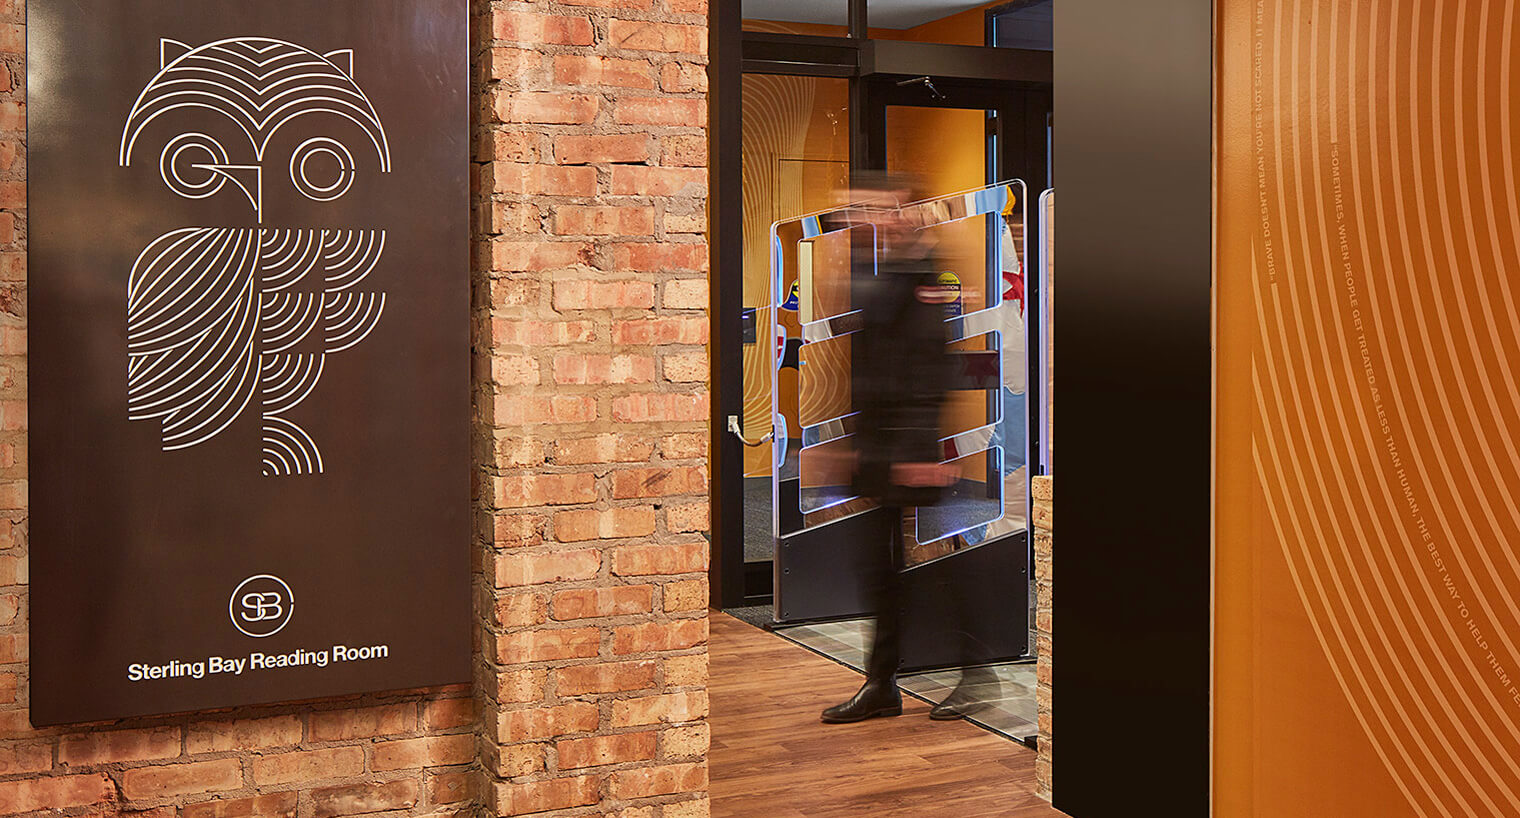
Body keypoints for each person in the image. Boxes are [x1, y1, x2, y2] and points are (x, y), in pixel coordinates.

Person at [819, 175, 988, 724]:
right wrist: (853, 444)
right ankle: (882, 683)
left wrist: (922, 447)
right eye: (854, 210)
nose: (860, 218)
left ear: (901, 212)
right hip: (878, 444)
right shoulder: (879, 271)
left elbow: (930, 363)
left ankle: (978, 674)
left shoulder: (926, 273)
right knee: (879, 568)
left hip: (910, 447)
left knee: (938, 562)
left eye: (872, 208)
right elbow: (873, 365)